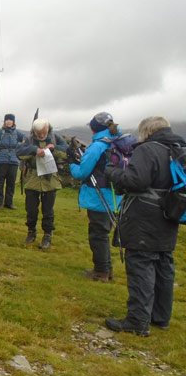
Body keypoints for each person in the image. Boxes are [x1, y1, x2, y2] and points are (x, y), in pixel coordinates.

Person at [104, 116, 185, 337]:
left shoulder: (148, 149)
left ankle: (138, 320)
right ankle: (160, 317)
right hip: (170, 214)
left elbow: (135, 181)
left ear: (146, 130)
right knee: (163, 264)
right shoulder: (178, 149)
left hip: (144, 216)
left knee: (141, 264)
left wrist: (113, 173)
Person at [70, 112, 123, 283]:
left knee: (98, 235)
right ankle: (107, 269)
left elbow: (82, 172)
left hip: (98, 196)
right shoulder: (118, 142)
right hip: (117, 196)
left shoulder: (98, 146)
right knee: (104, 233)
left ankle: (101, 272)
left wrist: (72, 164)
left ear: (94, 128)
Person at [16, 118, 67, 249]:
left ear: (47, 129)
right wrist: (34, 150)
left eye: (43, 132)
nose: (41, 135)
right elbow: (19, 152)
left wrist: (54, 148)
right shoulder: (29, 139)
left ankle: (47, 235)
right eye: (38, 133)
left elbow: (67, 151)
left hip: (50, 180)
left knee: (48, 210)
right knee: (31, 209)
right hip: (32, 178)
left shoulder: (55, 138)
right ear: (34, 131)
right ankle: (31, 232)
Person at [0, 113, 25, 210]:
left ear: (13, 122)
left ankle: (9, 203)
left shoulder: (17, 133)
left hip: (14, 161)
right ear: (4, 121)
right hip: (1, 161)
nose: (9, 122)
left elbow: (26, 140)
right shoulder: (0, 132)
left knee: (11, 183)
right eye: (7, 120)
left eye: (11, 120)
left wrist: (19, 149)